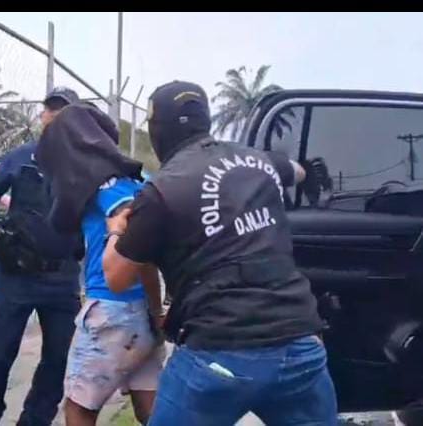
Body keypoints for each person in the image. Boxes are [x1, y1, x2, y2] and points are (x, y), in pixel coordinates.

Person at [101, 80, 338, 425]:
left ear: (157, 130)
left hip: (218, 355)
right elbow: (297, 170)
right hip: (299, 345)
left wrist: (116, 229)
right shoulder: (258, 161)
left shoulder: (160, 191)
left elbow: (115, 277)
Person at [35, 103, 166, 425]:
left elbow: (133, 241)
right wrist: (155, 311)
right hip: (142, 309)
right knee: (151, 410)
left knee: (79, 407)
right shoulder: (137, 180)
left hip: (111, 309)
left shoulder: (106, 186)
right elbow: (148, 254)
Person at [0, 87, 83, 426]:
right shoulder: (21, 157)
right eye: (50, 109)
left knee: (58, 361)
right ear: (42, 116)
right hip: (15, 276)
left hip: (62, 279)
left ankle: (34, 421)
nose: (55, 116)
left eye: (64, 111)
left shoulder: (86, 166)